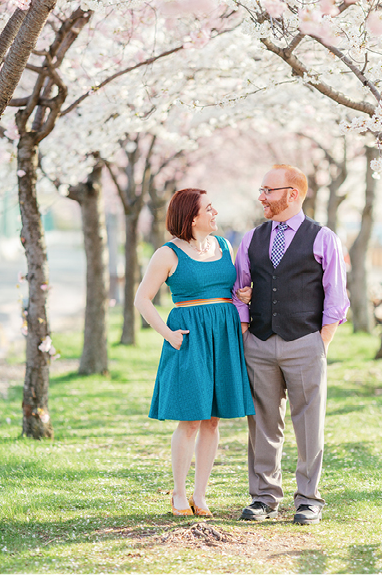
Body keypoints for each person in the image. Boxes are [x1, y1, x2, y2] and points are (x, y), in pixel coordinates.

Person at [233, 164, 349, 525]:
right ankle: (264, 497)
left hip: (306, 342)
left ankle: (308, 499)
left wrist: (321, 340)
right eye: (262, 189)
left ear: (292, 193)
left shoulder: (323, 236)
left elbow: (336, 296)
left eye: (269, 190)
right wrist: (246, 330)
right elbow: (239, 288)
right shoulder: (252, 238)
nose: (262, 196)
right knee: (263, 423)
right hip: (260, 343)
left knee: (308, 422)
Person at [135, 188, 254, 517]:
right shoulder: (168, 254)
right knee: (190, 420)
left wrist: (242, 296)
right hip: (190, 338)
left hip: (224, 335)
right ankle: (179, 493)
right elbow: (142, 299)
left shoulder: (223, 246)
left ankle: (200, 496)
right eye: (210, 209)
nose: (216, 213)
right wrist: (169, 335)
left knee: (213, 421)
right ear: (192, 217)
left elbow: (226, 290)